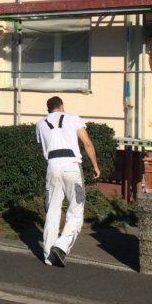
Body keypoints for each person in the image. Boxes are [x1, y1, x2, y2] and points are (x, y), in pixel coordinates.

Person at [35, 95, 100, 267]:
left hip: (52, 166)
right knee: (76, 211)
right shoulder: (73, 118)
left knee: (52, 211)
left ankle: (48, 256)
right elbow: (87, 143)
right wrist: (95, 165)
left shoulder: (40, 124)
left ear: (48, 109)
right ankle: (61, 246)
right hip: (71, 166)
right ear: (62, 106)